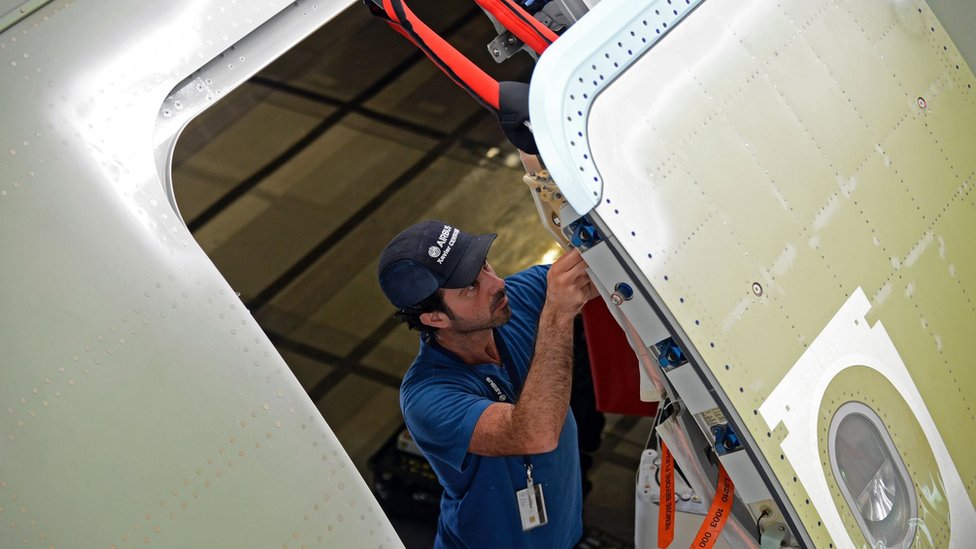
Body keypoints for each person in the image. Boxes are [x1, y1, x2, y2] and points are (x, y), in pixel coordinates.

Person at [377, 220, 598, 548]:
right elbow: (536, 433)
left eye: (484, 265)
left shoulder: (516, 299)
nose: (495, 284)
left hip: (560, 536)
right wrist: (558, 315)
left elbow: (605, 267)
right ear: (436, 318)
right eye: (469, 286)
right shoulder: (429, 397)